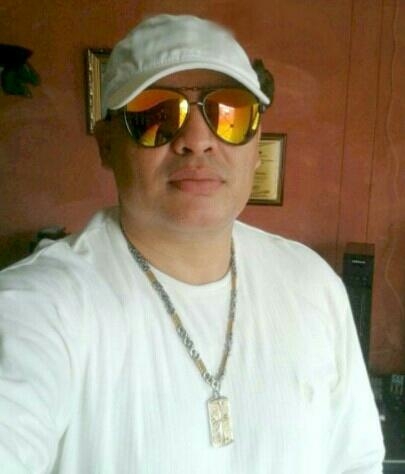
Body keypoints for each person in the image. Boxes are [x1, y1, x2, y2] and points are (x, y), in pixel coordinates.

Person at [0, 13, 384, 474]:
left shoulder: (313, 285)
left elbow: (356, 461)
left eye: (229, 113)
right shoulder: (38, 308)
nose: (197, 140)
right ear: (106, 145)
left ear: (255, 145)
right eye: (156, 114)